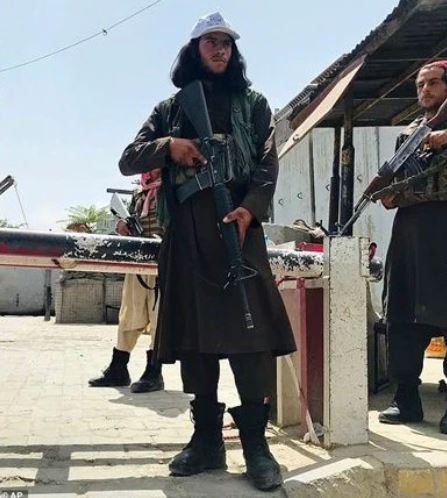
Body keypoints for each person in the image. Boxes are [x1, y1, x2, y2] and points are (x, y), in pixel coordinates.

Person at [118, 12, 296, 491]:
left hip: (238, 229)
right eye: (210, 42)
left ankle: (256, 445)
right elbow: (129, 157)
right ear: (194, 50)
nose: (220, 49)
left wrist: (250, 210)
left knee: (251, 341)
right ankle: (206, 441)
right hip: (188, 235)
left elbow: (267, 164)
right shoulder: (171, 109)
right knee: (196, 341)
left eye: (226, 43)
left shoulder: (254, 104)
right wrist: (170, 146)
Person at [378, 61, 447, 434]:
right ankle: (405, 400)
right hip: (410, 236)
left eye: (433, 83)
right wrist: (387, 194)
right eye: (420, 85)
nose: (425, 90)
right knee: (401, 317)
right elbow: (396, 181)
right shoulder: (409, 134)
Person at [89, 171, 164, 393]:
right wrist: (125, 225)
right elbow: (133, 218)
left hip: (164, 260)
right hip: (137, 260)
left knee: (159, 316)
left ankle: (154, 372)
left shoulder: (172, 188)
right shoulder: (139, 193)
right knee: (129, 313)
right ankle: (118, 368)